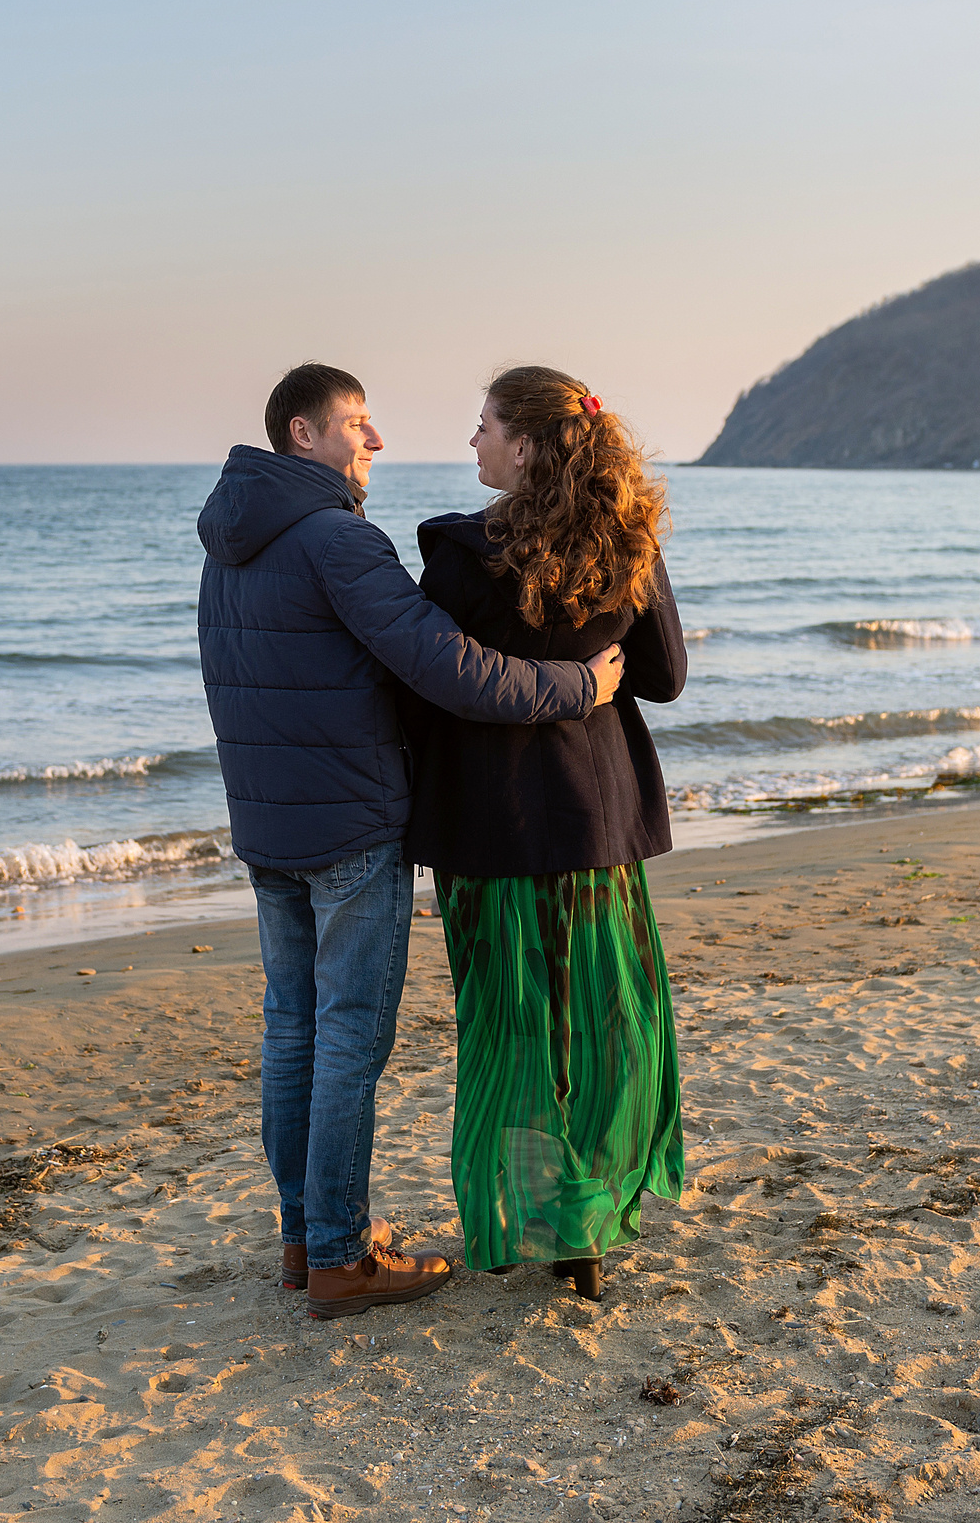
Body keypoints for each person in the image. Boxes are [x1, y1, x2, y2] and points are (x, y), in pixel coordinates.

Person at [196, 362, 626, 1320]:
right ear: (302, 435)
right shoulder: (338, 542)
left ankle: (305, 1236)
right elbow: (451, 668)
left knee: (292, 1031)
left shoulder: (230, 542)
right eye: (357, 422)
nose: (375, 439)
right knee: (347, 1038)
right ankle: (343, 1256)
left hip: (267, 826)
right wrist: (577, 689)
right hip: (350, 826)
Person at [404, 365, 687, 1301]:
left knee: (509, 1023)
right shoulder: (628, 543)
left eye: (483, 425)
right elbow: (665, 676)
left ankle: (538, 1212)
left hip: (489, 828)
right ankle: (588, 1226)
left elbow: (427, 683)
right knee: (602, 1017)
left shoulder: (455, 555)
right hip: (595, 821)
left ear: (524, 445)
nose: (472, 441)